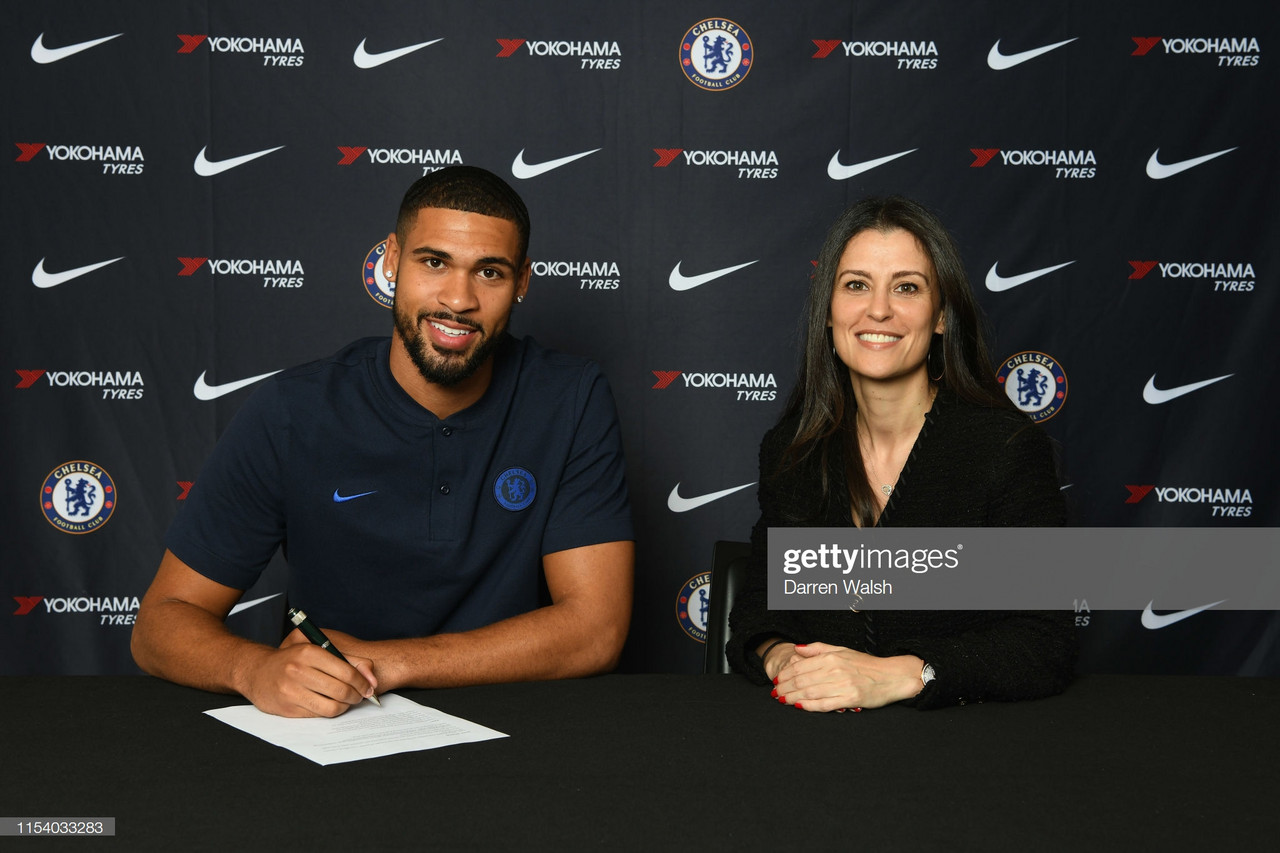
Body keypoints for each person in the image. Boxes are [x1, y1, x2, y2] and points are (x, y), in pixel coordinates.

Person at [132, 166, 634, 717]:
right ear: (391, 260)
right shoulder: (292, 410)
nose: (458, 299)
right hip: (334, 724)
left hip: (514, 723)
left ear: (522, 283)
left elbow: (596, 630)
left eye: (489, 272)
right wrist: (253, 670)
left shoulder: (570, 397)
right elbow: (161, 622)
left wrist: (385, 662)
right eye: (434, 262)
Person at [726, 196, 1074, 711]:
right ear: (828, 311)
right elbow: (758, 610)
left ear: (940, 318)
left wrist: (905, 674)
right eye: (856, 285)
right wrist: (782, 659)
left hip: (960, 759)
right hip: (814, 754)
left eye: (906, 287)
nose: (879, 309)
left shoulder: (1003, 449)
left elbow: (1044, 640)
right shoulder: (793, 453)